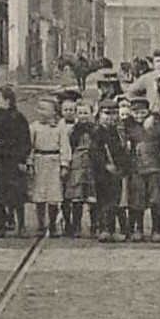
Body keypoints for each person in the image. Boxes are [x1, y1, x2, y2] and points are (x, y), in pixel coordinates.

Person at [0, 87, 31, 236]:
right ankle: (2, 224)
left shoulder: (18, 118)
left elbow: (25, 140)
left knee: (17, 194)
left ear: (7, 101)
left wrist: (22, 159)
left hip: (14, 160)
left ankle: (22, 225)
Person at [126, 95, 160, 241]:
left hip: (155, 168)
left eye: (142, 112)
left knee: (156, 200)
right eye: (136, 112)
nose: (139, 116)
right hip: (137, 168)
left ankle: (157, 229)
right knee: (137, 200)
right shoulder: (129, 126)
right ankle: (139, 229)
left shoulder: (156, 125)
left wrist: (154, 116)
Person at [29, 95, 69, 236]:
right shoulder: (34, 127)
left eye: (44, 109)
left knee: (53, 194)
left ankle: (52, 224)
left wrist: (64, 165)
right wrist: (30, 163)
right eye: (39, 108)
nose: (41, 112)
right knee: (39, 195)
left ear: (54, 112)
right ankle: (41, 224)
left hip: (54, 161)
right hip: (39, 161)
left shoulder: (60, 128)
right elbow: (30, 147)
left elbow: (65, 146)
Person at [92, 97, 131, 242]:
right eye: (107, 113)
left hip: (116, 171)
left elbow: (121, 151)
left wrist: (121, 167)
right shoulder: (97, 131)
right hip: (102, 172)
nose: (111, 117)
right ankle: (104, 229)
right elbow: (95, 152)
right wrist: (105, 165)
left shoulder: (117, 131)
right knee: (103, 201)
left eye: (114, 113)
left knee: (115, 201)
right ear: (100, 114)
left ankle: (112, 228)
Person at [62, 91, 96, 238]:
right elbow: (69, 146)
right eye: (80, 113)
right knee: (77, 197)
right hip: (77, 165)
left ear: (91, 113)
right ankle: (76, 226)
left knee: (92, 198)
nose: (83, 116)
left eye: (85, 113)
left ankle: (95, 226)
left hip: (92, 165)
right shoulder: (72, 131)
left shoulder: (95, 130)